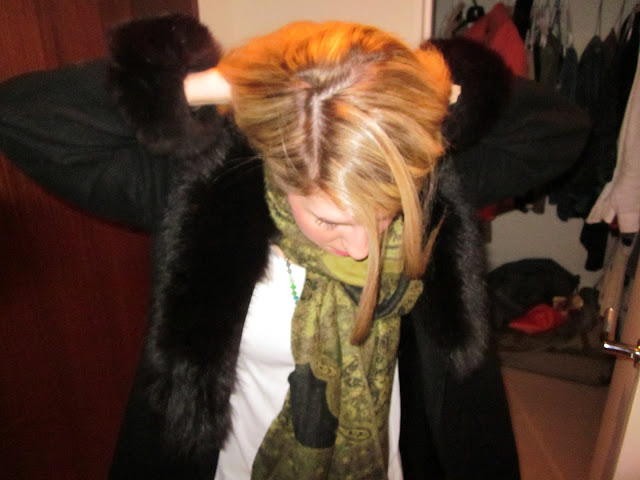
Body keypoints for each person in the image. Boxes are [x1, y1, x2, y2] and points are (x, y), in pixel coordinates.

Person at [0, 14, 590, 480]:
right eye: (330, 220)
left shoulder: (433, 184)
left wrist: (427, 85)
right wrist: (210, 84)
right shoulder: (205, 196)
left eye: (386, 216)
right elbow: (23, 116)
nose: (361, 248)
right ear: (278, 175)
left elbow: (562, 129)